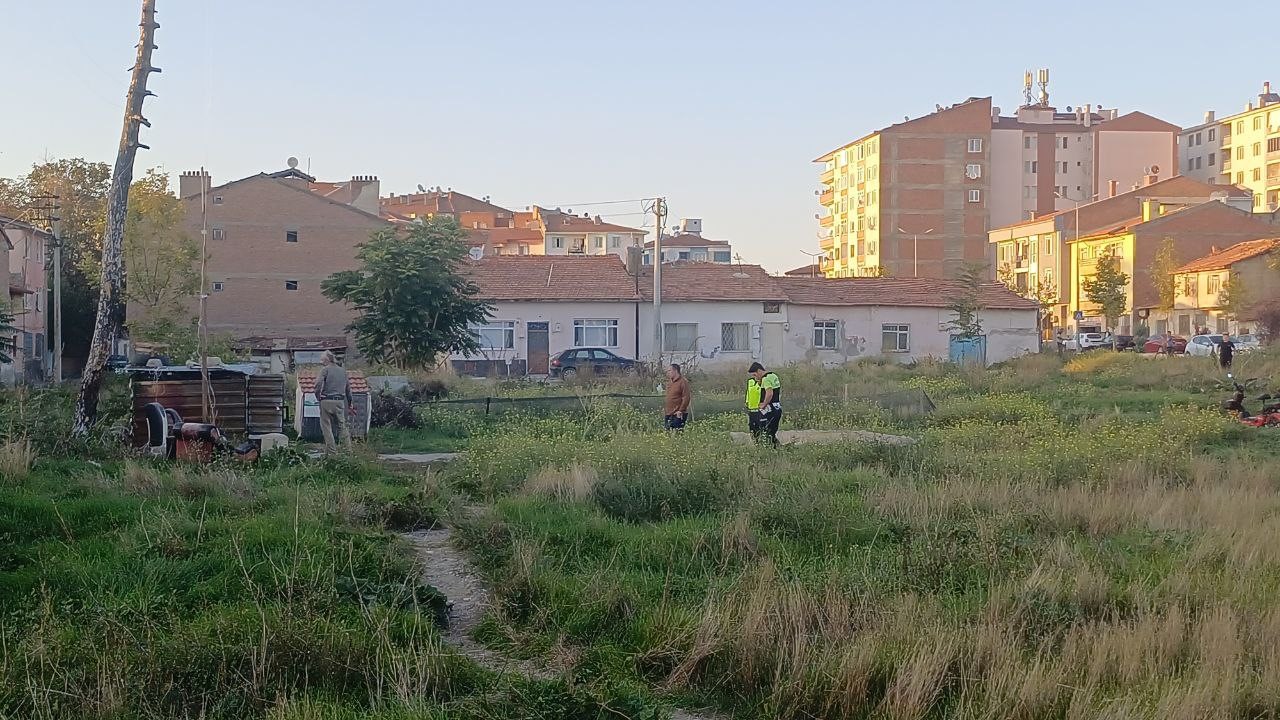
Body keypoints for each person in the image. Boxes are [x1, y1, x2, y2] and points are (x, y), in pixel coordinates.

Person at [313, 351, 354, 453]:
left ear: (326, 360)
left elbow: (318, 384)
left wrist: (318, 396)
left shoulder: (325, 370)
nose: (321, 361)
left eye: (322, 359)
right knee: (342, 426)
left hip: (326, 400)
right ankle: (348, 450)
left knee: (326, 426)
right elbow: (348, 389)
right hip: (340, 401)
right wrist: (350, 403)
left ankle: (332, 451)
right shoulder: (343, 371)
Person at [746, 362, 782, 447]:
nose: (755, 377)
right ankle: (777, 448)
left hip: (769, 409)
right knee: (771, 432)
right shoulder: (773, 376)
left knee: (766, 432)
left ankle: (769, 449)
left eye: (755, 375)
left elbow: (769, 393)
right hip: (776, 408)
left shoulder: (765, 379)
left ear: (759, 371)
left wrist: (764, 404)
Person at [663, 363, 691, 430]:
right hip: (669, 413)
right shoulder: (670, 383)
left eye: (669, 370)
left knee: (677, 433)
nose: (668, 373)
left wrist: (681, 410)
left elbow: (686, 397)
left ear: (675, 371)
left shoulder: (683, 382)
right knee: (667, 433)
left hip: (678, 413)